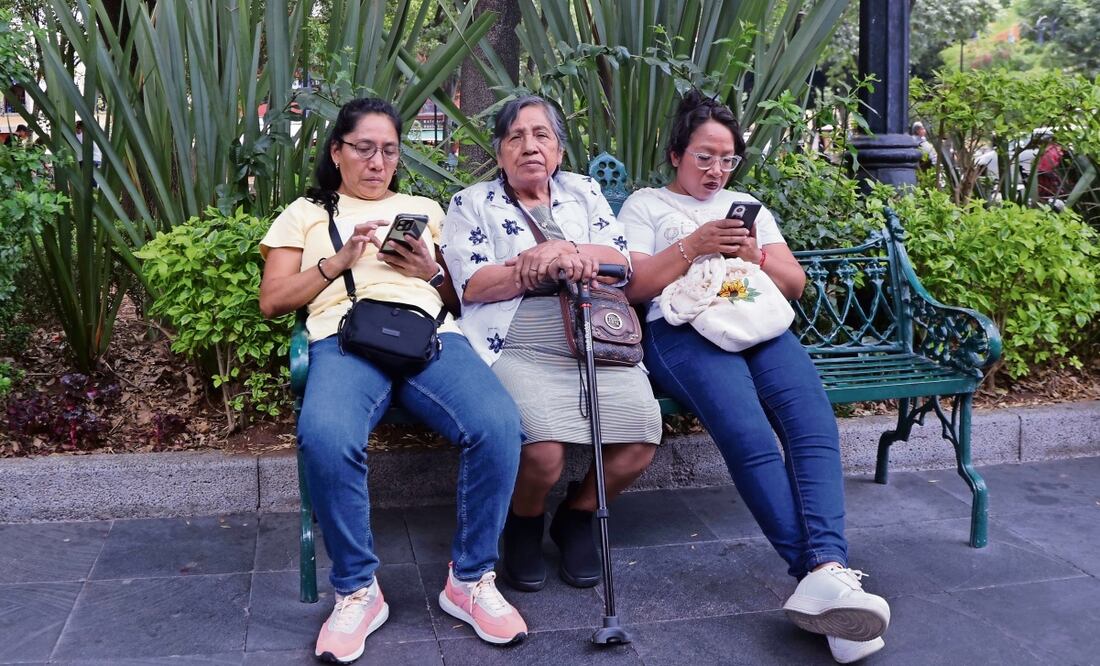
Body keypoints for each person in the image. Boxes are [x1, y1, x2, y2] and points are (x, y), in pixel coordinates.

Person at [619, 91, 891, 665]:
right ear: (675, 154)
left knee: (814, 428)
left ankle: (827, 578)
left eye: (727, 159)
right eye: (704, 157)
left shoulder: (748, 205)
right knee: (750, 440)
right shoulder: (643, 206)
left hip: (758, 322)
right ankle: (824, 579)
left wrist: (756, 255)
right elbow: (635, 287)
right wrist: (693, 245)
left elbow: (793, 284)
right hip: (686, 333)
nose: (717, 171)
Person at [258, 97, 528, 663]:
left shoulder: (424, 207)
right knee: (327, 436)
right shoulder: (304, 213)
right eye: (363, 148)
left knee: (499, 425)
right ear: (337, 152)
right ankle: (358, 590)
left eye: (388, 150)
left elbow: (460, 295)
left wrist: (427, 269)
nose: (377, 161)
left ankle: (471, 579)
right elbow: (273, 301)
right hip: (345, 339)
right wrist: (340, 261)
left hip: (431, 337)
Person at [441, 95, 661, 593]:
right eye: (515, 137)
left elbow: (622, 262)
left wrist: (567, 251)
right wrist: (534, 263)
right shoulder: (472, 202)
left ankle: (577, 516)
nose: (529, 146)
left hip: (596, 341)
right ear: (499, 154)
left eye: (541, 135)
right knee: (543, 450)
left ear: (559, 151)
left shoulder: (584, 192)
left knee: (642, 437)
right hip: (517, 346)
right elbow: (472, 283)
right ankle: (524, 521)